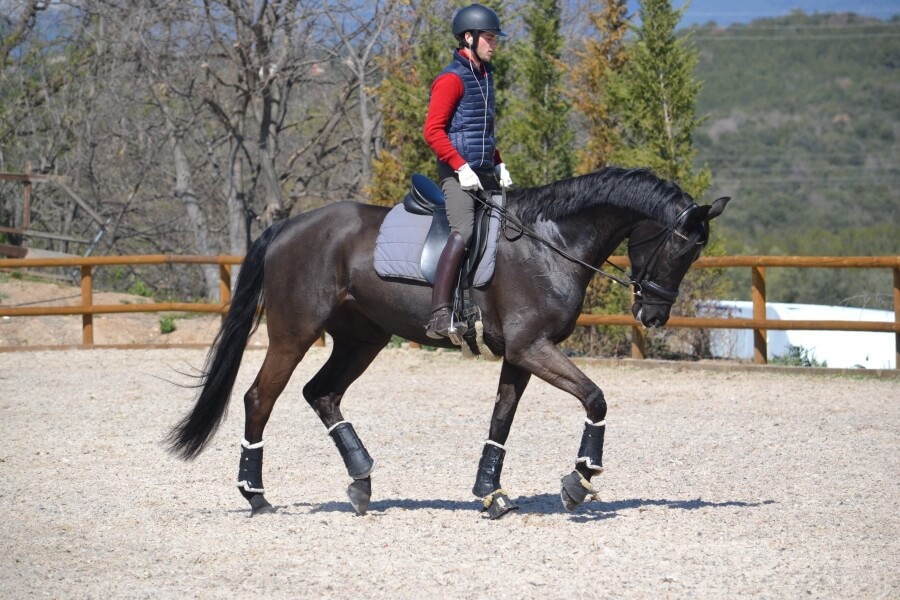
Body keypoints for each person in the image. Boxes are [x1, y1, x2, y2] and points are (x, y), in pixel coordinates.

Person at [422, 3, 513, 340]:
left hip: (484, 171)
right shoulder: (451, 79)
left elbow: (481, 131)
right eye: (489, 37)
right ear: (469, 37)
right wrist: (460, 166)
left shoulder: (485, 76)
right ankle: (439, 315)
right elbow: (432, 131)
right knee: (464, 230)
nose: (494, 43)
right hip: (456, 173)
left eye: (495, 38)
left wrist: (498, 161)